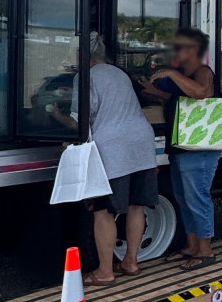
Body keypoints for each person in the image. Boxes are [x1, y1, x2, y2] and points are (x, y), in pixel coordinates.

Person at [55, 33, 158, 286]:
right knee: (136, 206)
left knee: (103, 211)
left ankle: (104, 271)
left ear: (82, 55)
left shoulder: (85, 77)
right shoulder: (119, 73)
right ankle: (130, 262)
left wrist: (55, 113)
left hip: (112, 148)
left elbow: (81, 121)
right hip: (142, 143)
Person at [141, 28, 219, 271]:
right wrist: (156, 91)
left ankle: (205, 250)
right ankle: (192, 244)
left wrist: (170, 74)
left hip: (199, 147)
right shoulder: (185, 74)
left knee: (197, 197)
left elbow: (201, 93)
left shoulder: (202, 71)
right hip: (181, 145)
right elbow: (181, 99)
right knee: (184, 198)